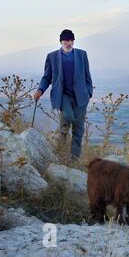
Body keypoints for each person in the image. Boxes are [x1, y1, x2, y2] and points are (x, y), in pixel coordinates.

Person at [34, 29, 93, 161]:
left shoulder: (82, 55)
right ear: (61, 41)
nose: (69, 43)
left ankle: (74, 158)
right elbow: (47, 77)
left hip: (81, 97)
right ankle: (60, 152)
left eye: (71, 40)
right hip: (63, 95)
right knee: (67, 117)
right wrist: (40, 90)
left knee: (78, 129)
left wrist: (89, 92)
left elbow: (87, 76)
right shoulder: (52, 57)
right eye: (66, 40)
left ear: (74, 41)